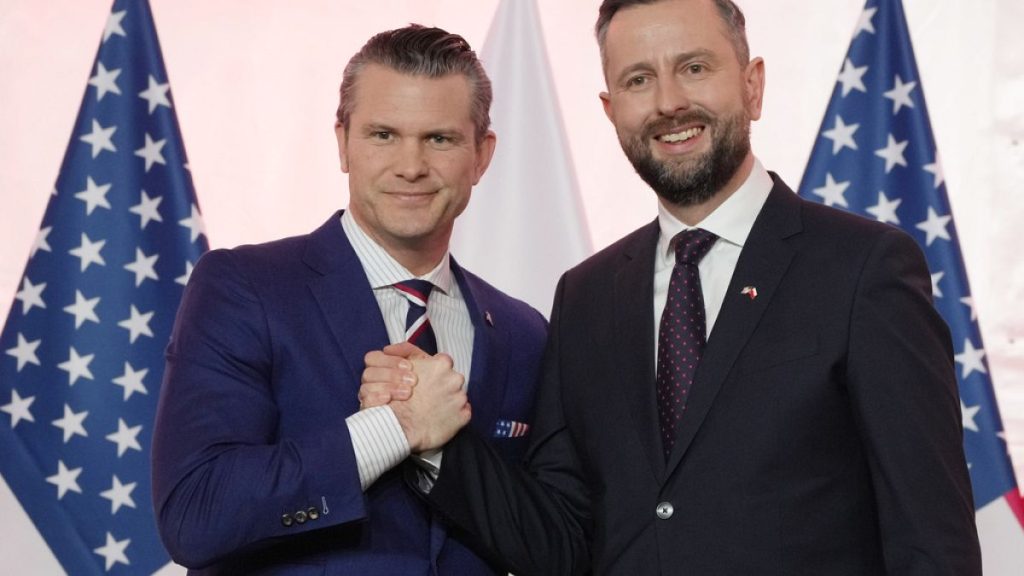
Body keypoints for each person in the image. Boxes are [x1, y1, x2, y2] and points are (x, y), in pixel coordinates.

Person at [362, 1, 982, 574]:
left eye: (693, 67)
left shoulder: (864, 268)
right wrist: (433, 441)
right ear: (611, 111)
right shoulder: (585, 295)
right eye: (638, 80)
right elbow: (557, 536)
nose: (668, 102)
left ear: (752, 84)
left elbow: (930, 536)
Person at [150, 25, 547, 575]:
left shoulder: (524, 333)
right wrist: (395, 427)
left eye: (440, 138)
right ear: (343, 142)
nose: (411, 165)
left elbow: (546, 540)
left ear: (482, 154)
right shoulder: (243, 287)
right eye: (384, 135)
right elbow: (196, 515)